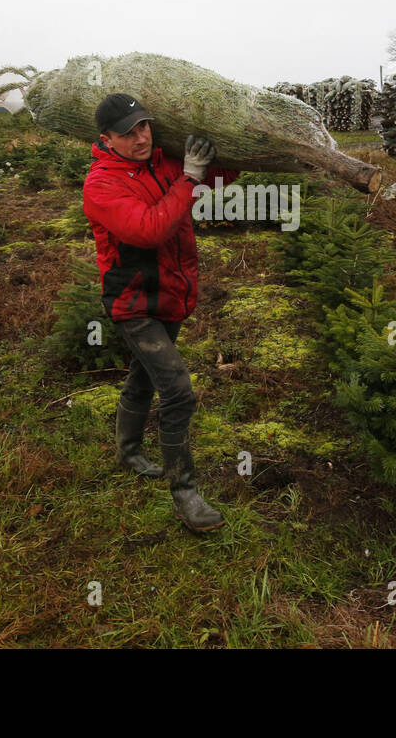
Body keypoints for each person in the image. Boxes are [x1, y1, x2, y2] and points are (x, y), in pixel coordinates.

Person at [81, 92, 239, 533]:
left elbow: (217, 182)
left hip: (171, 296)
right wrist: (188, 179)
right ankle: (185, 493)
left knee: (142, 377)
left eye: (144, 127)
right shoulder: (101, 184)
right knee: (177, 391)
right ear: (106, 139)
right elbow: (147, 231)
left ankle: (128, 452)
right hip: (134, 304)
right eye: (127, 133)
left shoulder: (164, 162)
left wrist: (223, 153)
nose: (140, 138)